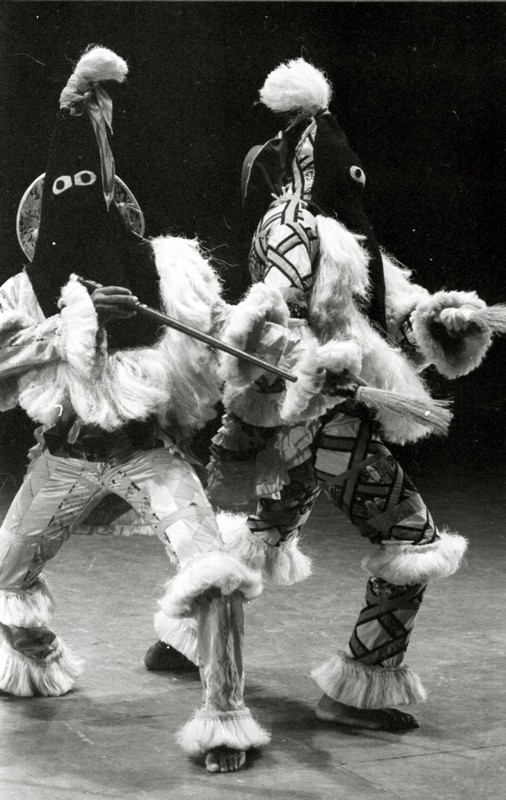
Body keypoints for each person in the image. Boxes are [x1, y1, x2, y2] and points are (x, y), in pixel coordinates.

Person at [0, 45, 270, 774]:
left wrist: (297, 357)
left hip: (147, 455)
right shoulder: (23, 293)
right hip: (65, 458)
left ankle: (224, 718)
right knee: (5, 575)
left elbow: (230, 331)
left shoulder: (168, 271)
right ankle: (37, 660)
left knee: (214, 574)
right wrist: (69, 323)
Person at [205, 57, 496, 732]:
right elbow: (270, 321)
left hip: (319, 421)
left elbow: (384, 305)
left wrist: (440, 316)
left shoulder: (342, 227)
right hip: (321, 419)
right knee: (411, 539)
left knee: (262, 536)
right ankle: (358, 687)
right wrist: (317, 367)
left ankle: (181, 638)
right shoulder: (292, 226)